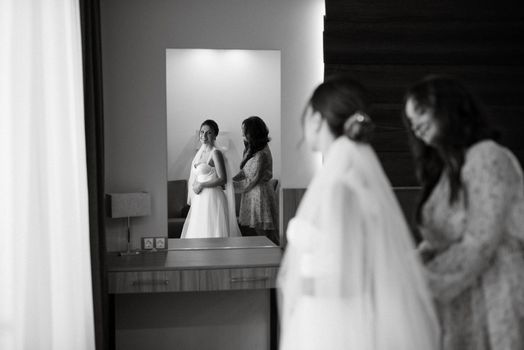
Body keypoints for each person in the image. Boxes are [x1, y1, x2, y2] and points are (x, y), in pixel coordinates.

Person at [277, 76, 440, 350]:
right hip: (324, 312)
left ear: (316, 118)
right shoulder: (344, 178)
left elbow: (352, 276)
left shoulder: (341, 187)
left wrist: (299, 284)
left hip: (330, 318)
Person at [403, 75, 524, 350]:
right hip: (461, 298)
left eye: (421, 111)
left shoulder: (487, 156)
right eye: (410, 120)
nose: (415, 125)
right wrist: (408, 264)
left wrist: (424, 278)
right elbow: (438, 242)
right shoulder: (447, 171)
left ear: (448, 107)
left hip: (496, 292)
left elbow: (481, 240)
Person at [181, 119, 241, 239]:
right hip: (199, 200)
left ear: (215, 135)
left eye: (208, 132)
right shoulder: (199, 153)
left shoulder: (216, 153)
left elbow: (222, 179)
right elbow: (196, 176)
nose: (204, 135)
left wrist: (201, 185)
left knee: (212, 232)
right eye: (202, 132)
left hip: (212, 198)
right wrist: (194, 185)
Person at [233, 116, 279, 244]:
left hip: (259, 194)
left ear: (252, 132)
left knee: (264, 234)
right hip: (252, 193)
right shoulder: (251, 149)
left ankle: (273, 259)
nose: (242, 133)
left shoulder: (262, 154)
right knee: (259, 233)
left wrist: (232, 186)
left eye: (244, 130)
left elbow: (253, 180)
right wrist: (231, 179)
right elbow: (244, 172)